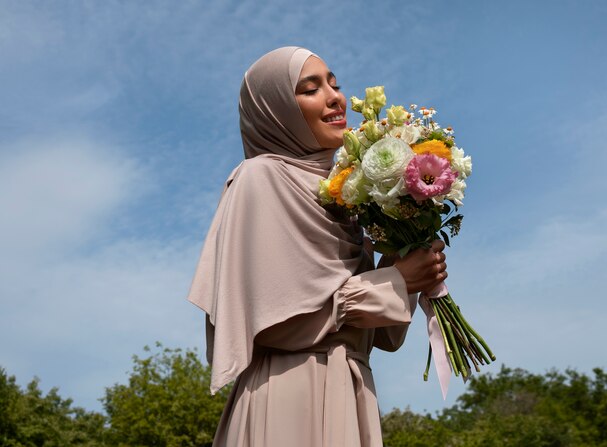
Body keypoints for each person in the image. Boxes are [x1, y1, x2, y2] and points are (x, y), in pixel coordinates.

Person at [188, 46, 447, 447]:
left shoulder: (344, 195)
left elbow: (385, 336)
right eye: (310, 89)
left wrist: (407, 245)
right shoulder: (262, 178)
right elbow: (276, 322)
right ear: (275, 111)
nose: (334, 97)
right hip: (288, 394)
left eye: (335, 84)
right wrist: (395, 280)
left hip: (352, 387)